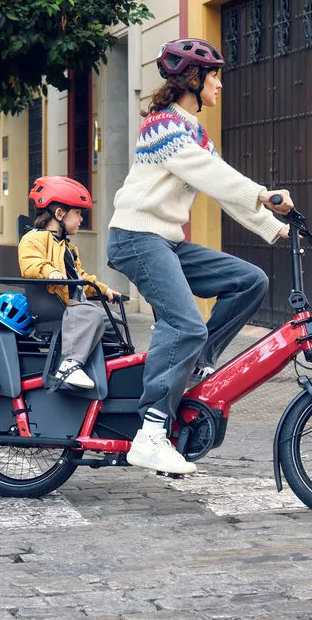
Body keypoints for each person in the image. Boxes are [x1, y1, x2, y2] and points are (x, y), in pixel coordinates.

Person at [106, 37, 292, 475]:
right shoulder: (163, 126)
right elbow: (212, 174)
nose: (220, 85)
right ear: (193, 79)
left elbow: (220, 188)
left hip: (165, 241)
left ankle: (196, 363)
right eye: (214, 77)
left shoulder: (195, 132)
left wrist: (276, 227)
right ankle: (151, 433)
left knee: (250, 281)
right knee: (184, 324)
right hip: (136, 237)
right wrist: (262, 193)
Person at [18, 177, 123, 391]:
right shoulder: (33, 239)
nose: (81, 219)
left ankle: (114, 366)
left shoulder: (68, 248)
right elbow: (31, 263)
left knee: (114, 320)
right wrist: (51, 272)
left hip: (76, 305)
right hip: (56, 306)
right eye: (78, 213)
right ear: (59, 214)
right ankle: (69, 365)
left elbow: (80, 278)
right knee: (91, 315)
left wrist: (104, 290)